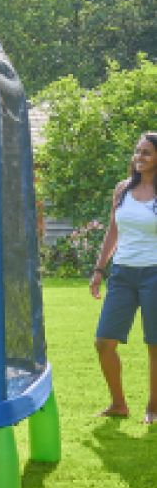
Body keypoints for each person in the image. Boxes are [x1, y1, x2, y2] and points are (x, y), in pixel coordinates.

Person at [90, 132, 157, 424]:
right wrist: (99, 269)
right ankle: (119, 404)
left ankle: (153, 408)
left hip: (154, 273)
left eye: (147, 153)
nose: (139, 157)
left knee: (154, 345)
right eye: (137, 151)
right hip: (122, 275)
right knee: (104, 342)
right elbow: (113, 231)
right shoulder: (122, 190)